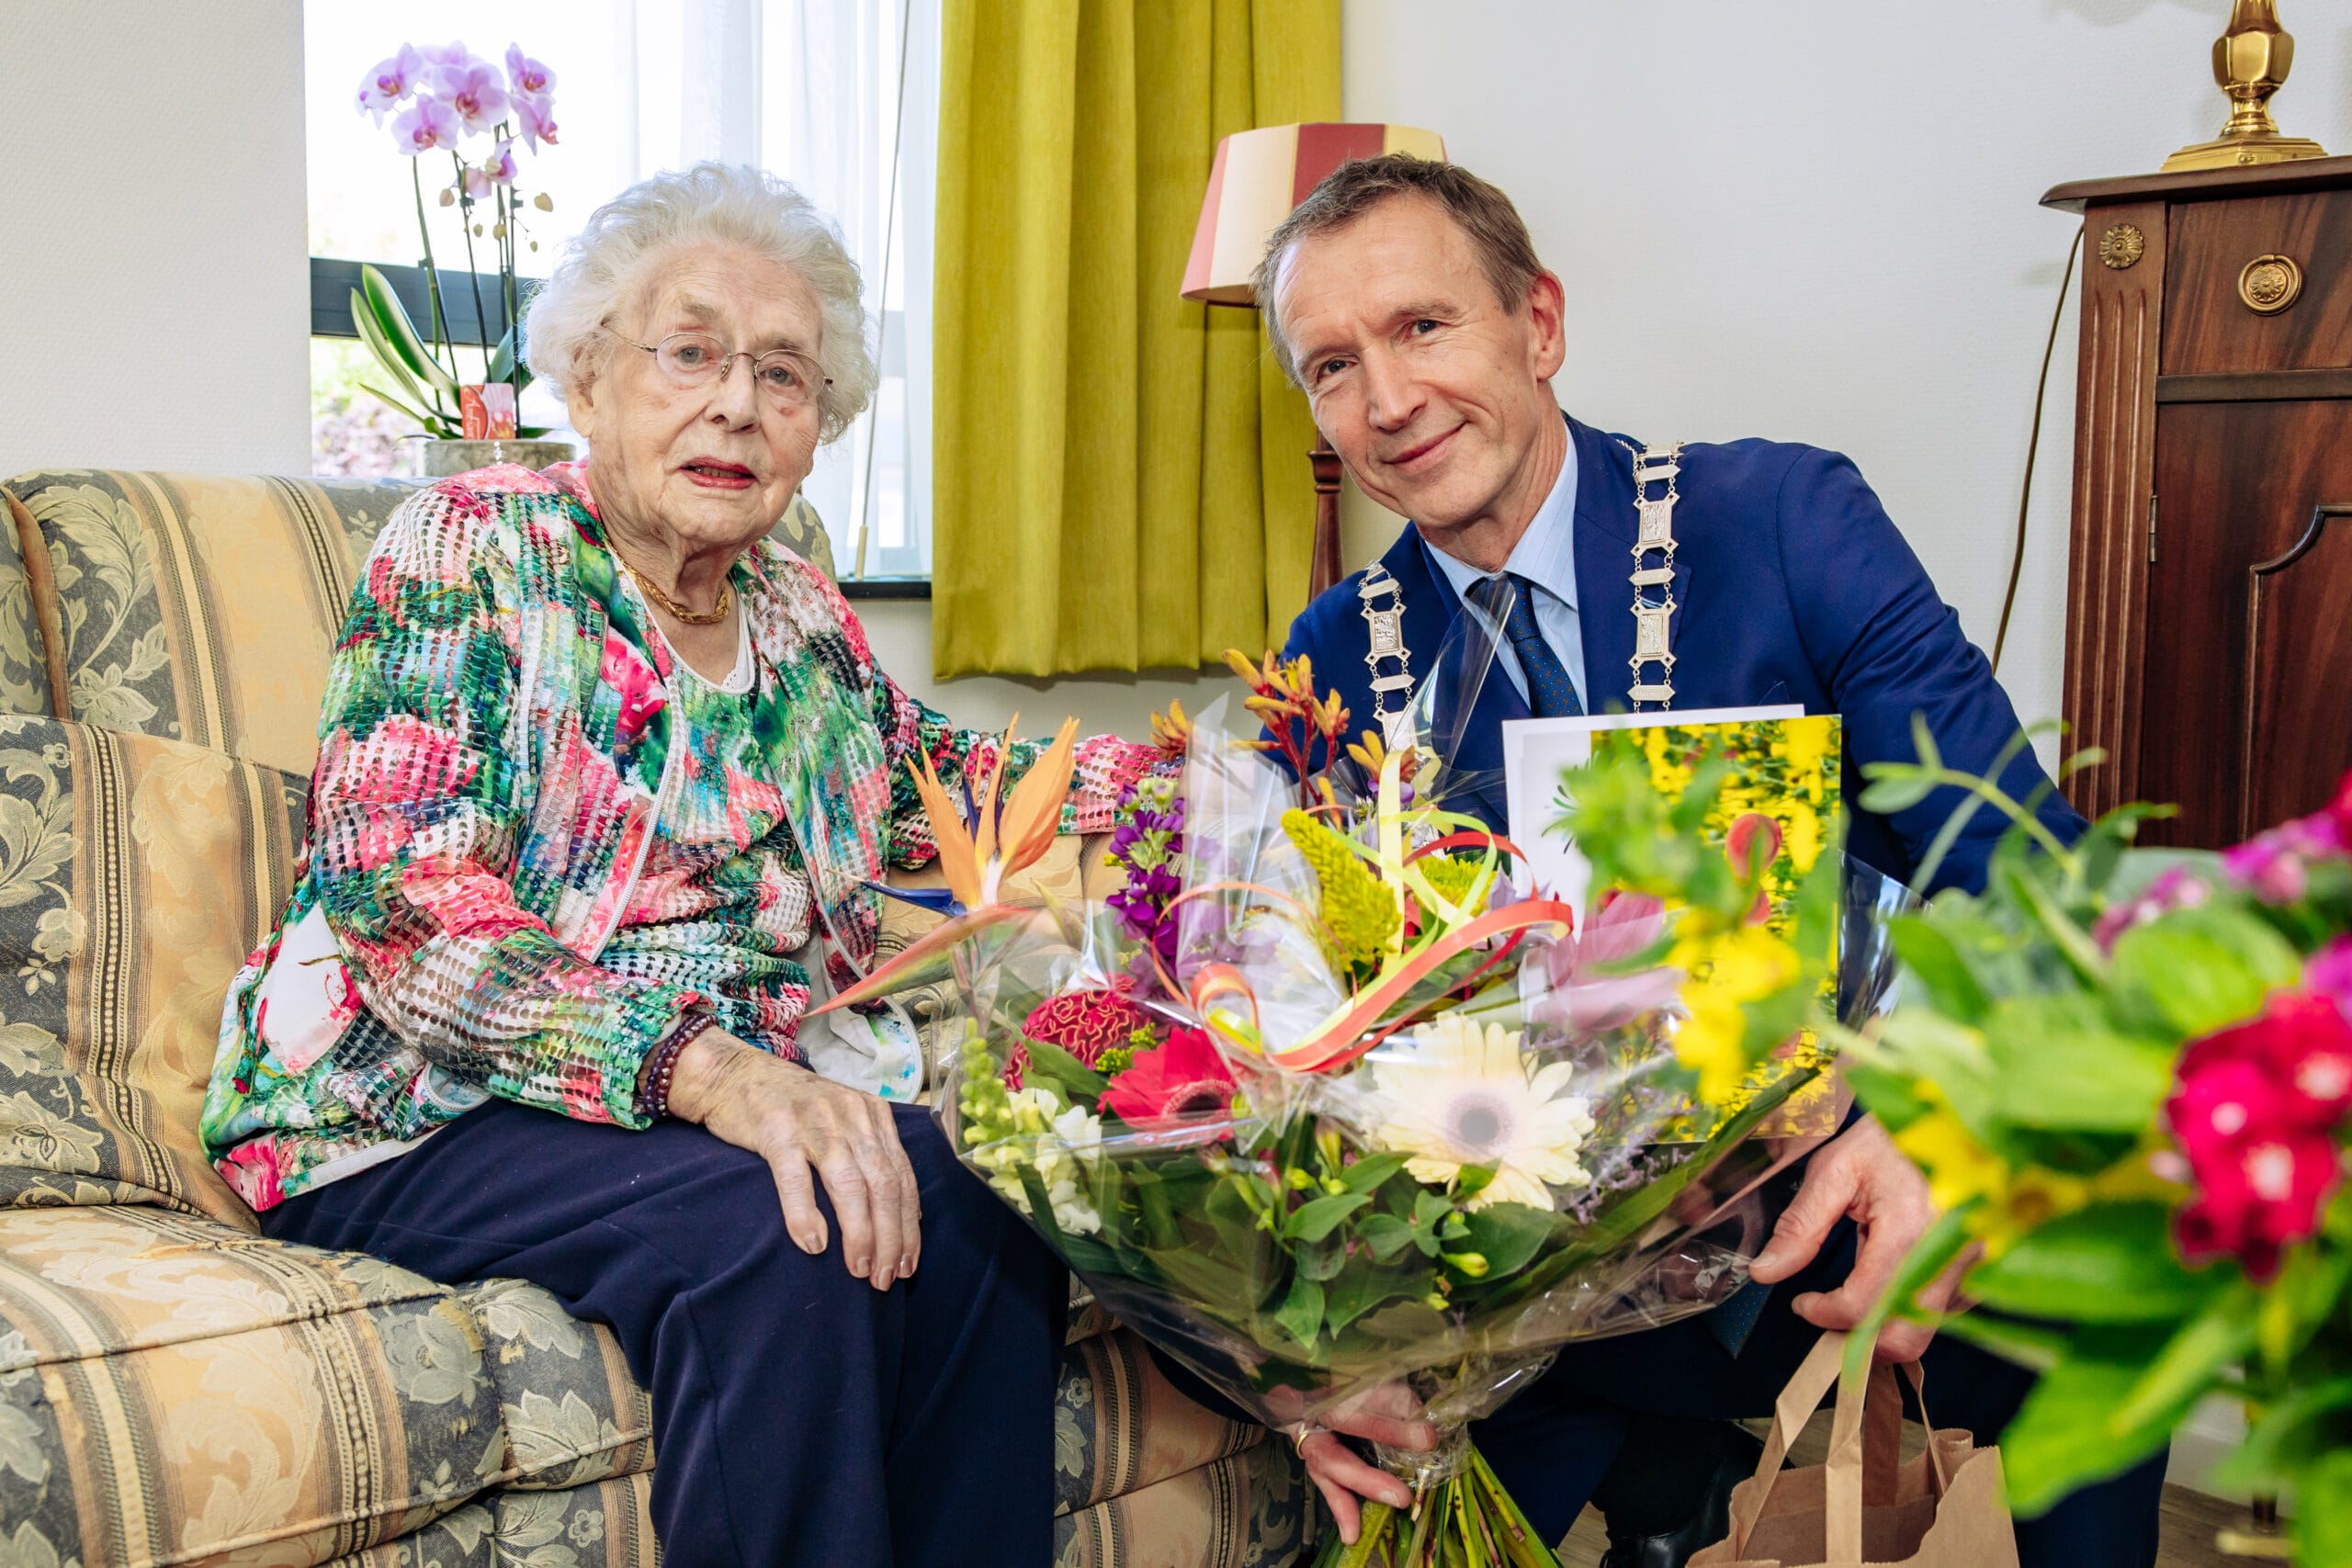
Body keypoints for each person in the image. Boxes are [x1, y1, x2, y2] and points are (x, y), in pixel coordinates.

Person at [200, 163, 1167, 1568]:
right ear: (590, 381)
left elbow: (939, 782)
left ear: (816, 431)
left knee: (979, 1196)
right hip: (420, 1097)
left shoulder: (795, 609)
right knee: (788, 1230)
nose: (737, 403)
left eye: (783, 375)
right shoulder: (473, 547)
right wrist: (714, 1073)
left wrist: (1177, 794)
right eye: (692, 352)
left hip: (705, 1093)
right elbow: (405, 904)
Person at [1258, 154, 2166, 1568]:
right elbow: (1309, 1035)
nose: (1385, 400)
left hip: (1848, 1206)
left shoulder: (1782, 524)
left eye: (1424, 326)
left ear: (1540, 324)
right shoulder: (1327, 667)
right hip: (1540, 1308)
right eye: (1331, 365)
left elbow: (2035, 878)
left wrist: (1931, 1125)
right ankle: (1660, 1475)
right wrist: (1305, 1340)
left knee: (2112, 1266)